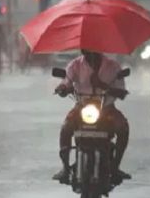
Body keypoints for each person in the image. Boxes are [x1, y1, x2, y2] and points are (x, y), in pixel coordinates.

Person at [52, 49, 131, 185]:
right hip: (81, 107)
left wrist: (102, 85)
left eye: (93, 49)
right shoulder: (74, 65)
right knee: (66, 128)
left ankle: (115, 166)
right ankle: (65, 168)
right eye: (86, 49)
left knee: (122, 127)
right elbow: (66, 82)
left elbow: (122, 93)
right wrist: (62, 89)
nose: (90, 53)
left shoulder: (113, 66)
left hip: (106, 109)